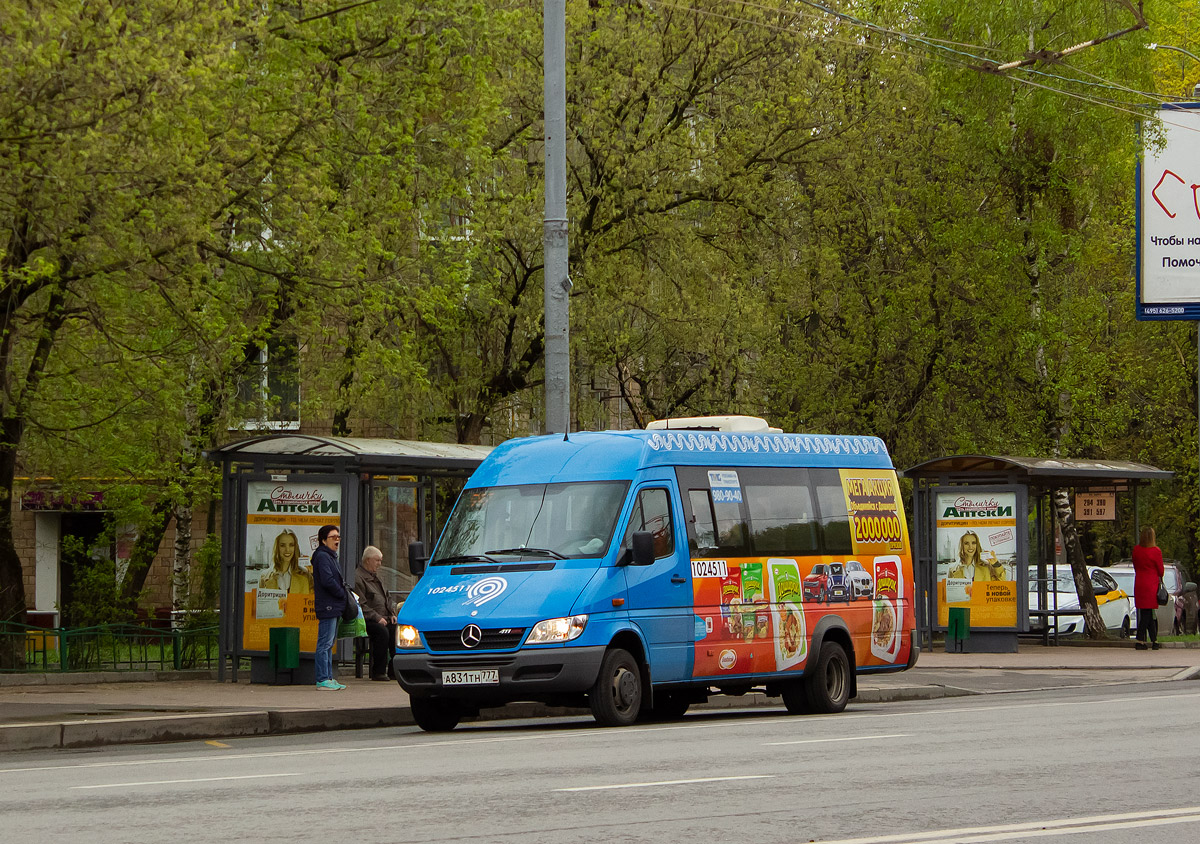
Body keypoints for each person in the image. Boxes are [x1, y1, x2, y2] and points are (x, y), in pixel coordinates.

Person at [311, 524, 348, 689]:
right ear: (324, 540)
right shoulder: (323, 557)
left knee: (329, 642)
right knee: (325, 643)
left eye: (338, 537)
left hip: (333, 604)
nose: (337, 540)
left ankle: (328, 677)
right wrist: (341, 593)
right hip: (328, 604)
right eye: (333, 537)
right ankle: (322, 679)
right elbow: (327, 580)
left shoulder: (331, 556)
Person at [355, 545, 398, 681]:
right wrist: (377, 617)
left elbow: (387, 598)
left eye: (380, 560)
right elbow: (361, 604)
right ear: (368, 560)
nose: (380, 564)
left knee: (398, 631)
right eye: (377, 560)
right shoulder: (358, 578)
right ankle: (378, 671)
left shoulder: (377, 578)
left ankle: (394, 670)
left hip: (383, 617)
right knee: (382, 632)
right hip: (366, 619)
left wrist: (392, 614)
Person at [1132, 525, 1165, 650]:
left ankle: (1154, 640)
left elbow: (1135, 565)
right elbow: (1160, 570)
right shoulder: (1156, 551)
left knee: (1147, 612)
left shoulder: (1136, 550)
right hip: (1151, 584)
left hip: (1140, 582)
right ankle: (1140, 640)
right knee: (1147, 613)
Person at [257, 529, 314, 594]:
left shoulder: (306, 576)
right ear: (277, 548)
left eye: (291, 545)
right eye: (282, 545)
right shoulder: (264, 576)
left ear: (295, 548)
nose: (287, 550)